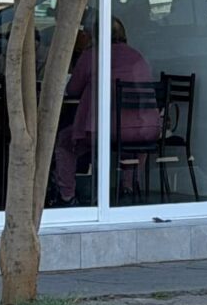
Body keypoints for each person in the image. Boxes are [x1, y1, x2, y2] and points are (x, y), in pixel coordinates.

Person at [51, 17, 160, 207]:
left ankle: (67, 196)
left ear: (95, 35)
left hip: (104, 130)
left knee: (64, 142)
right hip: (145, 129)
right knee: (131, 144)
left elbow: (73, 90)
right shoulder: (138, 57)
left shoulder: (93, 55)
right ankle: (128, 188)